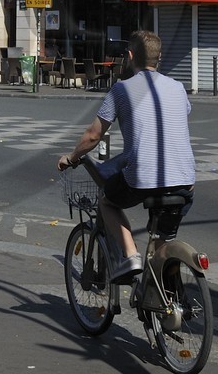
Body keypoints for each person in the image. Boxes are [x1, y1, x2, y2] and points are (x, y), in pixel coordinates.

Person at [58, 29, 196, 280]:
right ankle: (168, 300)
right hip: (185, 180)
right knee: (163, 239)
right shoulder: (178, 88)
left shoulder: (121, 90)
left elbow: (93, 136)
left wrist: (72, 157)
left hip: (144, 178)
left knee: (108, 201)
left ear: (130, 56)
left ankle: (130, 255)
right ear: (159, 58)